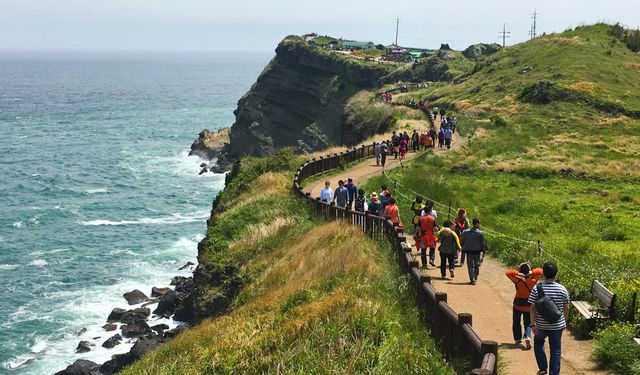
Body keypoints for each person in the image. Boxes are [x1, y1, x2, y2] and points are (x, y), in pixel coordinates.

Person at [528, 262, 570, 375]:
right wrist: (564, 321)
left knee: (538, 344)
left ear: (543, 274)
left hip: (541, 325)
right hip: (557, 325)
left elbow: (532, 308)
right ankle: (554, 373)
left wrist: (532, 324)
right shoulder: (562, 289)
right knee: (556, 350)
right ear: (556, 273)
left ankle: (542, 368)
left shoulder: (537, 288)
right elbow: (566, 307)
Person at [505, 263, 543, 350]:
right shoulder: (533, 280)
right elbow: (541, 271)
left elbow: (507, 272)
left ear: (520, 270)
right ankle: (527, 336)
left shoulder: (517, 279)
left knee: (516, 321)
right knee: (528, 323)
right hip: (529, 304)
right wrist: (532, 272)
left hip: (518, 304)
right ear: (528, 270)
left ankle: (518, 340)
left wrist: (518, 274)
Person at [461, 218, 488, 285]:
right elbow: (483, 243)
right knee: (477, 265)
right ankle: (475, 277)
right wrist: (484, 251)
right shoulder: (480, 233)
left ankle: (472, 279)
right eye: (479, 223)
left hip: (469, 251)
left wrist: (463, 247)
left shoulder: (466, 232)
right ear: (477, 224)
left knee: (470, 266)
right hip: (477, 252)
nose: (480, 225)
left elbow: (462, 241)